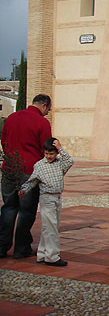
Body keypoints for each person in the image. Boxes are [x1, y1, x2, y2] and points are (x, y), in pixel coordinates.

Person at [0, 94, 52, 259]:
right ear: (44, 105)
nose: (48, 112)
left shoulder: (12, 118)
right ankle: (21, 248)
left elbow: (4, 140)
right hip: (29, 171)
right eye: (48, 109)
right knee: (26, 210)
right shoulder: (42, 123)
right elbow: (46, 148)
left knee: (8, 207)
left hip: (9, 168)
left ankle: (2, 246)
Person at [18, 137, 73, 266]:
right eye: (47, 153)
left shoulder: (60, 164)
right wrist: (24, 190)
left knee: (49, 227)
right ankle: (52, 256)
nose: (49, 156)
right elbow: (32, 181)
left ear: (56, 153)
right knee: (51, 227)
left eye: (52, 153)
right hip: (46, 198)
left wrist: (60, 148)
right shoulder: (39, 166)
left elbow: (70, 161)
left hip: (57, 198)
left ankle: (42, 253)